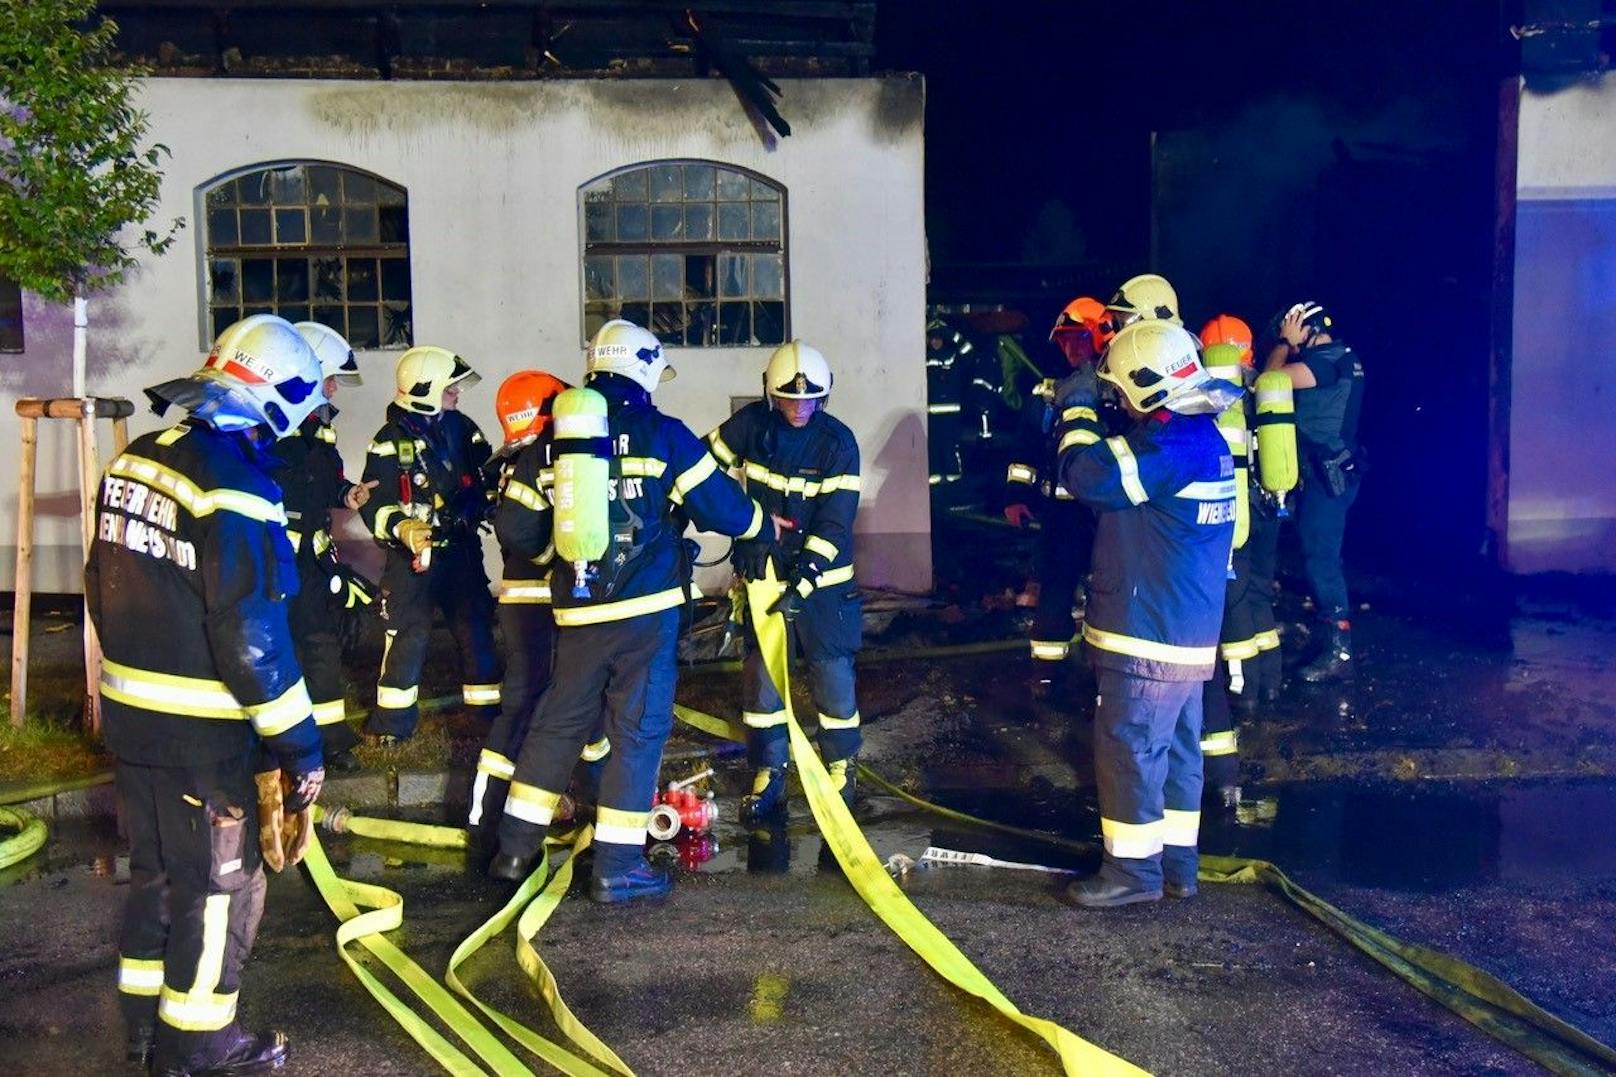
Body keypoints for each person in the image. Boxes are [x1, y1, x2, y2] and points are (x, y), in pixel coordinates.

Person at [89, 314, 327, 1075]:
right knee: (221, 885)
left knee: (156, 873)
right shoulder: (237, 487)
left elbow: (100, 582)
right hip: (204, 735)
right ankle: (196, 1045)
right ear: (281, 398)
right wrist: (299, 745)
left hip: (133, 722)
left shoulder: (138, 460)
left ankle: (142, 1027)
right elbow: (253, 638)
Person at [489, 320, 774, 903]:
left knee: (558, 723)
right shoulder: (661, 433)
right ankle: (619, 866)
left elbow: (514, 525)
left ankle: (514, 852)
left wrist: (559, 556)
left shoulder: (554, 440)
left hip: (575, 612)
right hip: (645, 615)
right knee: (637, 732)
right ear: (643, 369)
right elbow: (721, 507)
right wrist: (761, 525)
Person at [1053, 317, 1239, 907]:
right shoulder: (1203, 438)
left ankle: (1132, 873)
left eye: (1120, 391)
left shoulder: (1167, 448)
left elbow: (1088, 475)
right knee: (1178, 752)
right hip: (1185, 635)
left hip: (1147, 636)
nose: (1119, 402)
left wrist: (1077, 410)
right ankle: (1178, 863)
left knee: (1130, 747)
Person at [707, 340, 864, 821]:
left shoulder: (839, 443)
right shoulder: (750, 426)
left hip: (824, 586)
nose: (800, 407)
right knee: (761, 681)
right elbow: (697, 468)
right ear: (771, 395)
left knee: (831, 674)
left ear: (825, 397)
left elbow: (835, 524)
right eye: (790, 399)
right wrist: (741, 520)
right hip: (762, 575)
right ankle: (769, 771)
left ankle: (840, 769)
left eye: (809, 399)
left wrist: (804, 584)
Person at [468, 369, 598, 843]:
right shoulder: (548, 459)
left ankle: (489, 818)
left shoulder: (510, 462)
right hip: (547, 600)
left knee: (541, 703)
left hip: (523, 601)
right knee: (570, 700)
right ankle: (595, 806)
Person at [359, 346, 502, 743]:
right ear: (425, 389)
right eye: (449, 387)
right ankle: (391, 724)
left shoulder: (463, 428)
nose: (456, 392)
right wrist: (404, 528)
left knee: (474, 628)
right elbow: (378, 502)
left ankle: (486, 716)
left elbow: (486, 473)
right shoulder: (389, 441)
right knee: (408, 633)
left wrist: (486, 502)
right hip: (412, 558)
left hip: (461, 551)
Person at [267, 321, 375, 771]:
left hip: (310, 562)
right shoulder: (267, 427)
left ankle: (331, 740)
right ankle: (277, 746)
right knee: (275, 650)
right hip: (272, 561)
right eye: (329, 378)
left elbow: (323, 481)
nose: (333, 389)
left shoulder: (318, 429)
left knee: (320, 644)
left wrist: (345, 494)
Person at [1004, 297, 1106, 700]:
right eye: (1064, 340)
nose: (1071, 348)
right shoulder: (1048, 390)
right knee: (1055, 591)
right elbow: (1025, 447)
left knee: (1107, 592)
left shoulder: (1115, 388)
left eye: (1079, 337)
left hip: (1104, 511)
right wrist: (1015, 494)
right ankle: (1047, 676)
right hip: (1061, 514)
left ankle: (1104, 676)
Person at [1265, 302, 1365, 683]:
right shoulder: (1342, 357)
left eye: (1293, 328)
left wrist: (1283, 344)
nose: (1290, 336)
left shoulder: (1326, 359)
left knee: (1321, 559)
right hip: (1331, 471)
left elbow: (1271, 380)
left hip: (1328, 476)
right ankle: (1325, 642)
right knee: (1317, 556)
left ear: (1307, 329)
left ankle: (1339, 651)